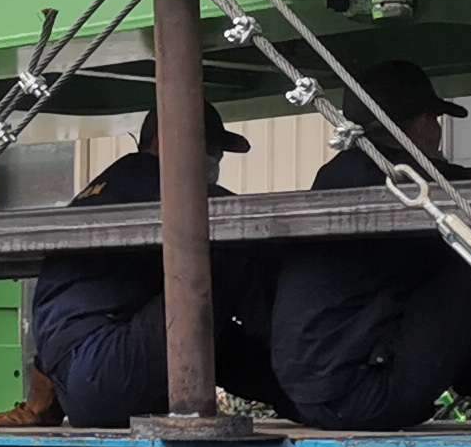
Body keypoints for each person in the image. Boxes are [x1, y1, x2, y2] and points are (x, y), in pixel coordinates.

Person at [268, 61, 471, 431]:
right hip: (364, 391)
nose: (436, 132)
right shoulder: (405, 178)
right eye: (434, 119)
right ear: (421, 122)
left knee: (451, 273)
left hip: (319, 394)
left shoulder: (337, 175)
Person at [28, 105, 283, 426]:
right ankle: (300, 364)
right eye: (212, 151)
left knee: (209, 331)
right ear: (167, 140)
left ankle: (294, 391)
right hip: (108, 366)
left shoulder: (112, 187)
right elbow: (242, 221)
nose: (214, 163)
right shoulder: (152, 178)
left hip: (76, 388)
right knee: (225, 254)